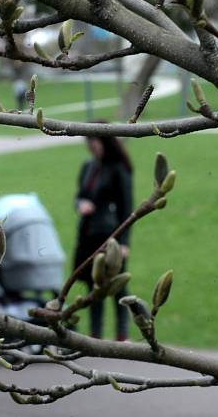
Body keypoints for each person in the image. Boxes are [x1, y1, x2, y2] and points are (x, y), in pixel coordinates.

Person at [74, 132, 133, 341]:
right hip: (89, 235)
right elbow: (79, 195)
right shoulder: (88, 167)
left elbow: (127, 209)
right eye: (88, 142)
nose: (91, 147)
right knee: (94, 285)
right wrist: (80, 204)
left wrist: (124, 242)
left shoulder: (118, 169)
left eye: (94, 142)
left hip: (111, 237)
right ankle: (95, 335)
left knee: (117, 285)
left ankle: (122, 334)